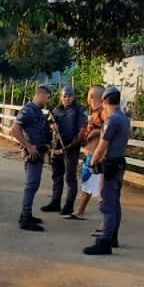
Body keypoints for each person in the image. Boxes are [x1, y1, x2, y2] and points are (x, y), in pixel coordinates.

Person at [84, 86, 130, 255]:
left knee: (107, 204)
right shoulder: (124, 119)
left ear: (104, 101)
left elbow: (103, 145)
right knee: (115, 202)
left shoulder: (112, 121)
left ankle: (105, 241)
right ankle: (113, 237)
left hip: (109, 164)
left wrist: (92, 162)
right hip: (119, 163)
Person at [8, 85, 53, 231]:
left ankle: (26, 215)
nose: (48, 100)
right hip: (32, 153)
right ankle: (25, 218)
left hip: (38, 152)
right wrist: (28, 146)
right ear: (41, 94)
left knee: (34, 185)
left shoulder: (38, 111)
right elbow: (14, 130)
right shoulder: (28, 110)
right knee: (31, 185)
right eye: (48, 97)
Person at [44, 86, 88, 217]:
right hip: (56, 148)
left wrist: (68, 147)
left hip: (71, 148)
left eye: (69, 96)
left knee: (70, 177)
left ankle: (68, 206)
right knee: (57, 177)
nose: (67, 98)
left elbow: (81, 132)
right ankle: (55, 202)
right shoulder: (56, 110)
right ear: (60, 97)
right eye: (64, 96)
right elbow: (47, 126)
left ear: (73, 97)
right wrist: (51, 126)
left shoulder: (79, 110)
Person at [71, 85, 108, 220]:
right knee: (88, 185)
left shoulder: (104, 112)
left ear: (92, 96)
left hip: (97, 156)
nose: (87, 99)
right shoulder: (95, 113)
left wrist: (95, 132)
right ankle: (80, 211)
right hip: (90, 154)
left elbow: (108, 129)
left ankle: (107, 219)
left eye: (88, 95)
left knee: (101, 189)